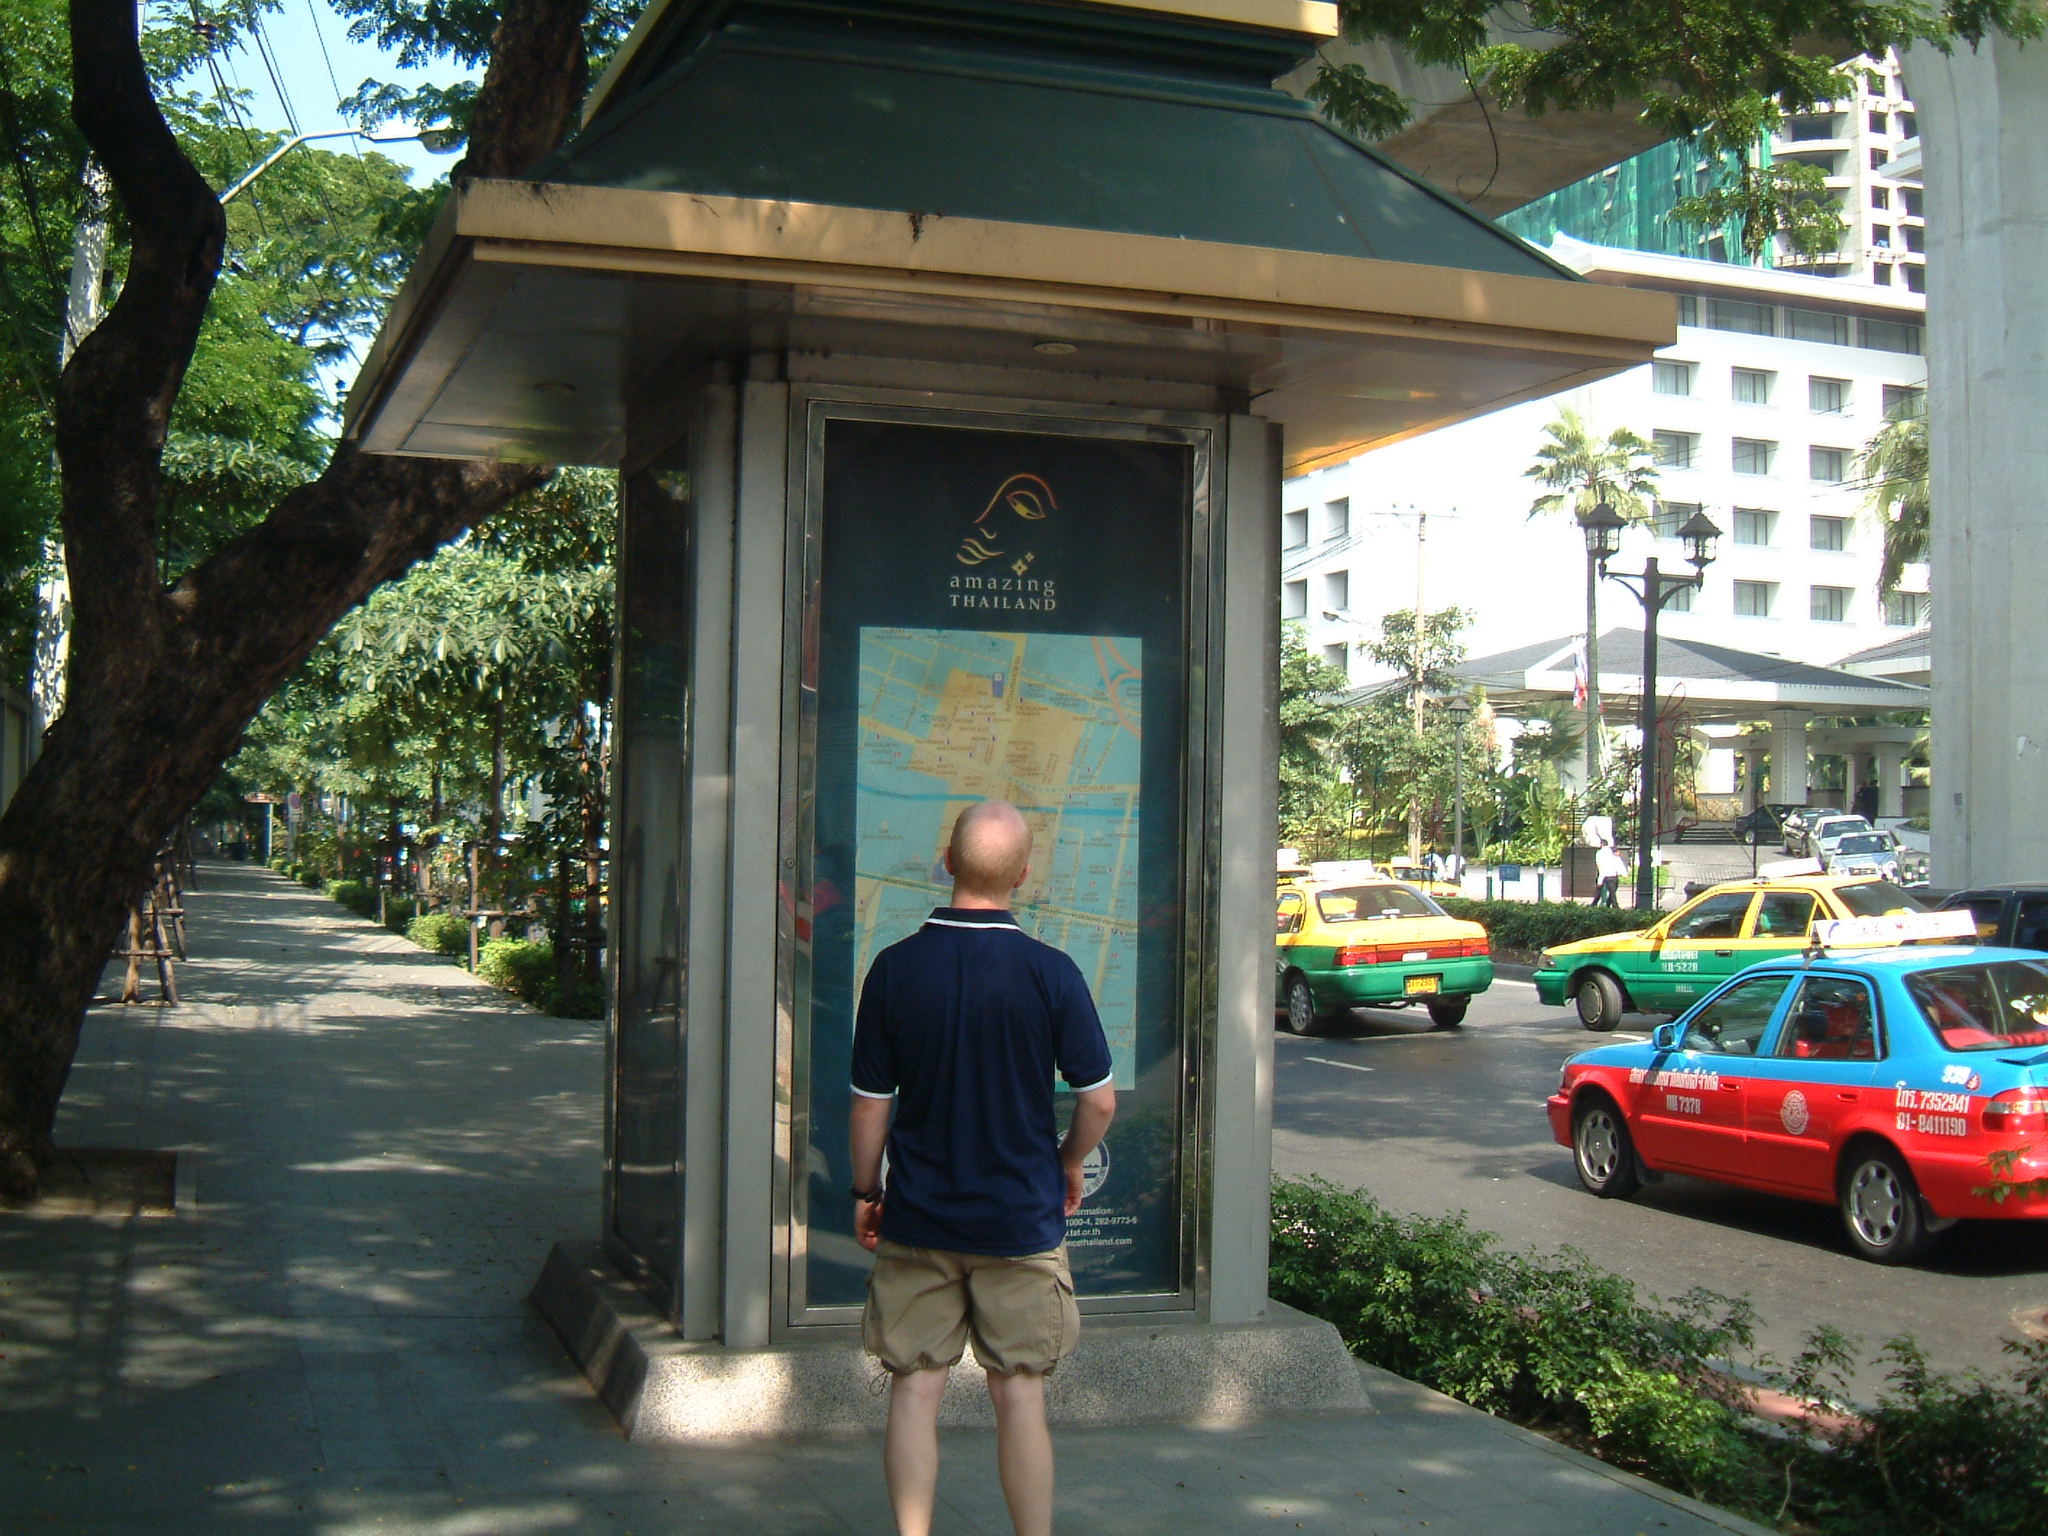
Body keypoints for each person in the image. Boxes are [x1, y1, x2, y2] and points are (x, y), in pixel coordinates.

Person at [850, 800, 1117, 1536]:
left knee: (915, 1389)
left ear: (947, 862)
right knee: (1020, 1393)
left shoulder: (895, 969)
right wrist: (1067, 1163)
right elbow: (1098, 1101)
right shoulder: (1052, 972)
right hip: (1021, 1221)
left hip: (919, 1218)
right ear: (1024, 875)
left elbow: (870, 1107)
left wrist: (867, 1191)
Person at [1592, 842, 1626, 907]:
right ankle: (1614, 906)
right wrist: (1624, 873)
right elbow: (1619, 865)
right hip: (1613, 876)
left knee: (1600, 892)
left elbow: (1600, 867)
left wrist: (1599, 881)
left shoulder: (1600, 853)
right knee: (1612, 893)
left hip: (1605, 875)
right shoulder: (1614, 856)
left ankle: (1594, 904)